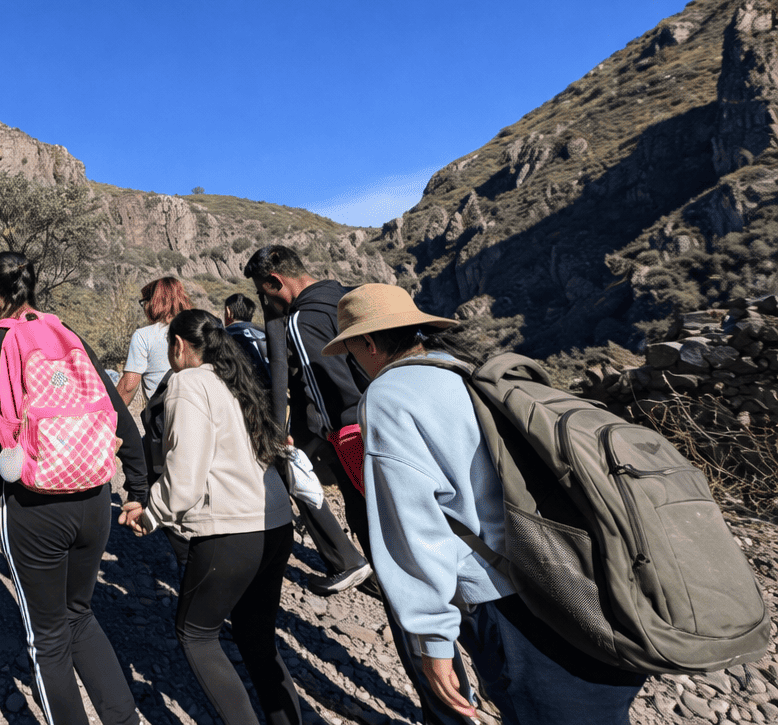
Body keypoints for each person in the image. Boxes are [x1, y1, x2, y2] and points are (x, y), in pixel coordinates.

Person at [326, 284, 647, 724]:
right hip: (580, 572)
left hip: (507, 598)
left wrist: (433, 641)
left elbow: (414, 526)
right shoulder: (467, 370)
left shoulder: (388, 397)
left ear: (368, 342)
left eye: (350, 349)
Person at [0, 252, 149, 725]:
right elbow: (120, 417)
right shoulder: (68, 335)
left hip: (32, 506)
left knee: (48, 636)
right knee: (80, 614)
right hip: (94, 497)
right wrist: (136, 487)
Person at [119, 309, 303, 725]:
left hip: (231, 530)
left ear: (178, 345)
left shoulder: (187, 383)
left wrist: (150, 515)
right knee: (257, 638)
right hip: (274, 522)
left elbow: (184, 476)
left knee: (197, 635)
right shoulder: (235, 380)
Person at [241, 246, 373, 596]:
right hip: (389, 426)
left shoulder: (301, 322)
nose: (266, 302)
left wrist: (303, 442)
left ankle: (364, 572)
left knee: (371, 526)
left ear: (275, 282)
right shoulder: (346, 297)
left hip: (353, 440)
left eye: (263, 292)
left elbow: (323, 397)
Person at [116, 277, 192, 405]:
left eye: (144, 303)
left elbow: (128, 386)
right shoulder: (198, 329)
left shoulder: (143, 336)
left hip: (164, 412)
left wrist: (110, 411)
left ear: (153, 302)